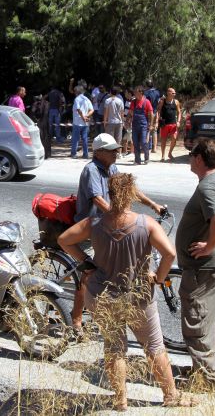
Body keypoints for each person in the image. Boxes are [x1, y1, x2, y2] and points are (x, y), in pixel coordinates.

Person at [59, 173, 197, 411]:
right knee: (153, 345)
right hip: (138, 297)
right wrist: (159, 278)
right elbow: (169, 254)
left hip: (102, 296)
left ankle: (120, 400)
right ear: (132, 195)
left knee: (114, 346)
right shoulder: (147, 224)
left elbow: (64, 239)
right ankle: (170, 396)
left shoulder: (94, 224)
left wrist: (86, 262)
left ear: (110, 195)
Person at [70, 133, 163, 332]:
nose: (116, 153)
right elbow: (98, 199)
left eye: (117, 149)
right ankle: (76, 319)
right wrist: (117, 218)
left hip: (108, 226)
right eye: (112, 150)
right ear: (99, 152)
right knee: (89, 273)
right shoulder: (91, 170)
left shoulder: (111, 167)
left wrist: (153, 205)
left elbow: (127, 189)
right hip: (91, 228)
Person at [175, 138, 215, 392]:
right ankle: (201, 370)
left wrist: (210, 245)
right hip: (214, 267)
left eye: (192, 155)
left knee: (197, 320)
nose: (190, 158)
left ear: (200, 159)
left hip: (204, 268)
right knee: (209, 320)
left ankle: (208, 381)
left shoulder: (207, 188)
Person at [126, 86, 154, 165]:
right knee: (135, 142)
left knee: (143, 141)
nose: (135, 94)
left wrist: (151, 124)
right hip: (135, 125)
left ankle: (146, 158)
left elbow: (151, 114)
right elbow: (130, 112)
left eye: (136, 93)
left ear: (141, 93)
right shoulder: (133, 102)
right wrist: (127, 121)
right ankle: (137, 160)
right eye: (134, 93)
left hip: (143, 125)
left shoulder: (146, 102)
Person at [156, 87, 182, 162]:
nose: (174, 94)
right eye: (173, 93)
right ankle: (163, 156)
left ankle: (170, 153)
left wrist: (179, 121)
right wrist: (157, 120)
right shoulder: (162, 101)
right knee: (163, 140)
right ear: (168, 93)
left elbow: (179, 112)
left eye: (175, 93)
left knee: (174, 139)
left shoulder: (176, 102)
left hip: (173, 123)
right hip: (164, 124)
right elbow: (158, 111)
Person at [71, 85, 93, 159]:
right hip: (85, 123)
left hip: (77, 122)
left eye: (74, 91)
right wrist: (86, 116)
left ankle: (74, 154)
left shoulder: (77, 99)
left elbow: (78, 109)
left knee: (75, 139)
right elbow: (92, 110)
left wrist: (83, 117)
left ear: (77, 91)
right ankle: (85, 154)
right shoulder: (87, 99)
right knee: (85, 139)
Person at [103, 86, 125, 156]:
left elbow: (106, 112)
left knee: (109, 139)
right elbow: (122, 112)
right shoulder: (120, 101)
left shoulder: (107, 101)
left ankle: (110, 154)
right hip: (119, 122)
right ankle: (119, 153)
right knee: (118, 139)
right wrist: (122, 121)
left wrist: (104, 121)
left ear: (110, 92)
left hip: (110, 122)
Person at [144, 79, 161, 153]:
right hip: (154, 112)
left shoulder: (146, 93)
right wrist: (157, 111)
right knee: (154, 131)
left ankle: (146, 147)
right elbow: (160, 101)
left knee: (147, 130)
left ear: (146, 85)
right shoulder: (157, 92)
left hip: (147, 112)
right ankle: (154, 148)